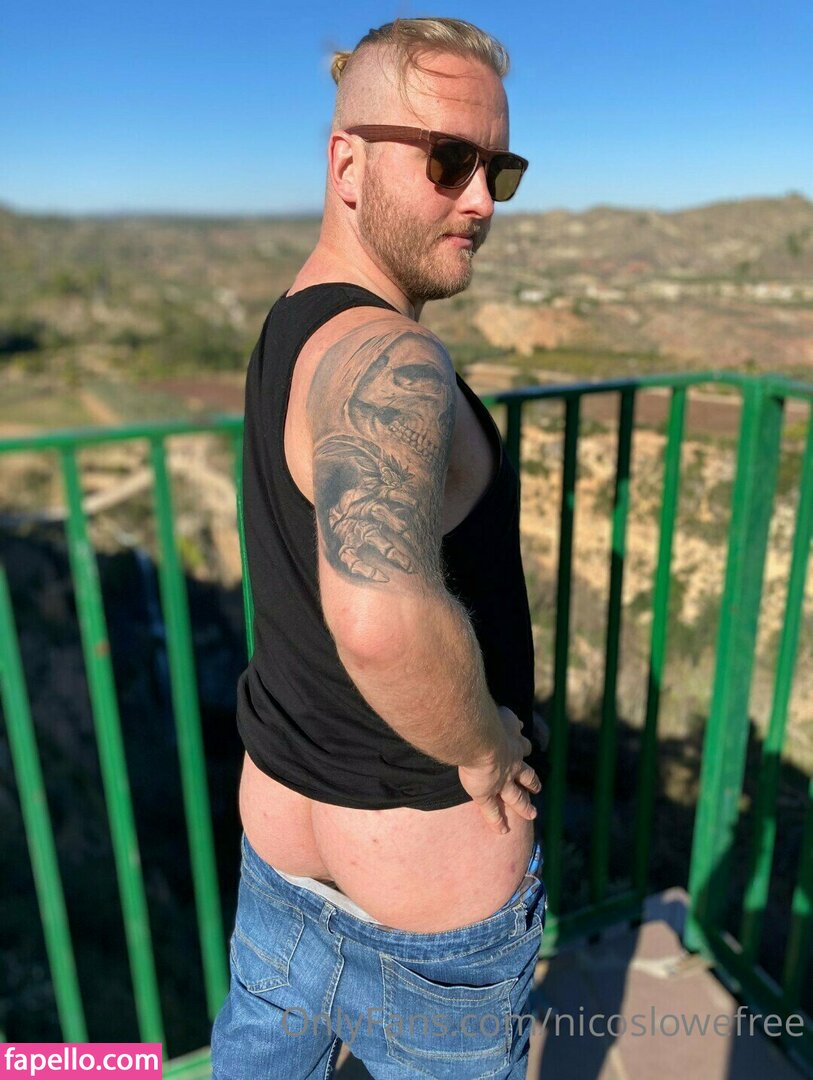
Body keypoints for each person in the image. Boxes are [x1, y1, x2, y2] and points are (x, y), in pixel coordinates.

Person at [211, 16, 548, 1079]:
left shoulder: (294, 321)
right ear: (347, 163)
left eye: (499, 169)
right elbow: (377, 617)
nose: (481, 200)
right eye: (448, 160)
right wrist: (485, 747)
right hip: (427, 923)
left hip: (282, 864)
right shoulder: (387, 355)